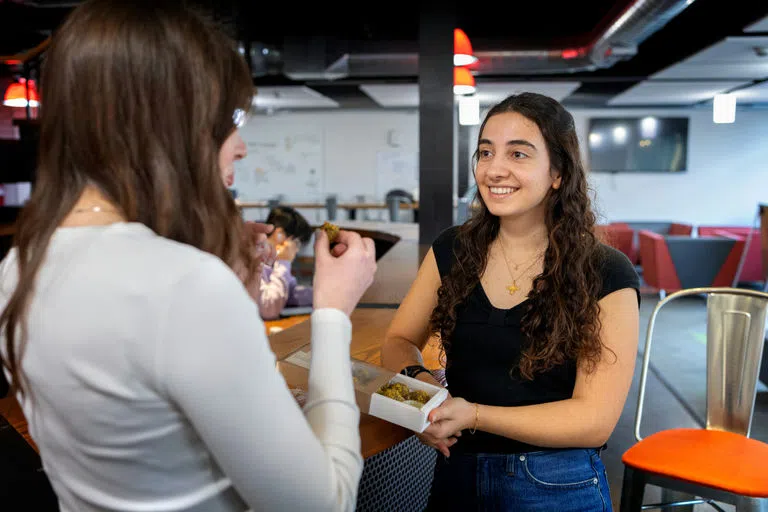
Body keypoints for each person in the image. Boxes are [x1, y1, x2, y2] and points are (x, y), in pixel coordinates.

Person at [0, 2, 377, 511]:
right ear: (167, 121)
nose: (241, 146)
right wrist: (333, 312)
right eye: (228, 120)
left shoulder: (19, 266)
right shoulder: (183, 286)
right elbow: (323, 504)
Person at [380, 92, 640, 511]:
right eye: (486, 152)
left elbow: (594, 421)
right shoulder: (453, 249)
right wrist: (424, 399)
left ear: (557, 172)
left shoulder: (606, 271)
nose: (494, 169)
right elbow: (396, 340)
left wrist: (475, 415)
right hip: (456, 472)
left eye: (518, 154)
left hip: (556, 481)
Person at [256, 206, 314, 319]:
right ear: (279, 235)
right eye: (297, 243)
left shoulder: (271, 260)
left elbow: (288, 294)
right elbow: (268, 308)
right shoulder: (255, 259)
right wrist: (283, 262)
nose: (296, 250)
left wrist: (321, 294)